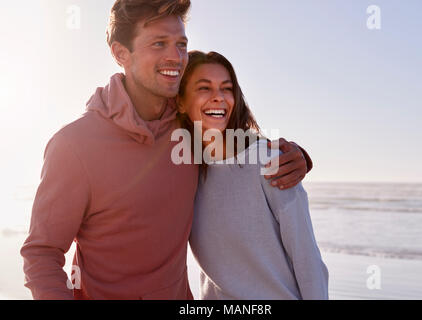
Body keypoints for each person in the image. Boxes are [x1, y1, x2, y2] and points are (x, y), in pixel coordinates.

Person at [20, 0, 312, 300]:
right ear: (121, 54)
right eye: (159, 44)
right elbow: (42, 252)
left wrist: (297, 156)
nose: (176, 57)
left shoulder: (187, 122)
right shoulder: (73, 146)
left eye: (181, 44)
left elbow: (240, 146)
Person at [177, 51, 329, 300]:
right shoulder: (185, 173)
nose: (219, 97)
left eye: (226, 89)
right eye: (204, 88)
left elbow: (307, 257)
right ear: (181, 102)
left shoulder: (269, 160)